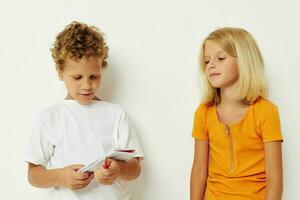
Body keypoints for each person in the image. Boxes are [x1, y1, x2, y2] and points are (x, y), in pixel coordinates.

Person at [24, 21, 144, 200]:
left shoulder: (116, 114)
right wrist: (61, 177)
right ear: (60, 71)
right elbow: (33, 175)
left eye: (94, 76)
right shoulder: (50, 117)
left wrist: (117, 170)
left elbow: (135, 168)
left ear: (101, 68)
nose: (87, 85)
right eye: (77, 77)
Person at [190, 27, 283, 200]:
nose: (211, 65)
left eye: (220, 58)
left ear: (245, 61)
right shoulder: (203, 112)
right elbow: (199, 170)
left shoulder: (266, 111)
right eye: (206, 61)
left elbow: (274, 176)